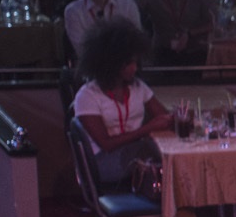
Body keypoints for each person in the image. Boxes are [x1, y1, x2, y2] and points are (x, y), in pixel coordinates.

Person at [71, 20, 170, 185]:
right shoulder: (87, 96)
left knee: (163, 155)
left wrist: (180, 118)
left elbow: (164, 116)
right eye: (129, 63)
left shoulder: (138, 87)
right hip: (101, 162)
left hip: (136, 155)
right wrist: (147, 129)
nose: (135, 68)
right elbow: (106, 144)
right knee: (156, 154)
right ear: (112, 63)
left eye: (136, 62)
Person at [135, 0, 215, 67]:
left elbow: (213, 23)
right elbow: (129, 5)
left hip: (195, 51)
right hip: (162, 52)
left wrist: (190, 33)